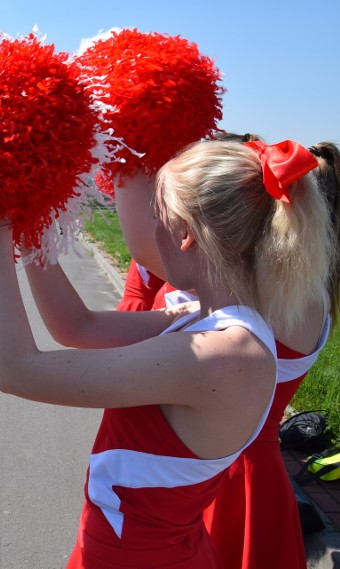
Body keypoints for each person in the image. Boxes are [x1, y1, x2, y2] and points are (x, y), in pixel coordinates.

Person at [0, 139, 333, 567]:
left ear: (184, 233)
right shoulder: (207, 321)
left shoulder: (223, 355)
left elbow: (18, 371)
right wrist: (30, 223)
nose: (152, 235)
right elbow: (77, 326)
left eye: (157, 218)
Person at [111, 135, 338, 569]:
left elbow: (144, 250)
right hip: (259, 482)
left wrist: (126, 144)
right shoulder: (309, 299)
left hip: (209, 476)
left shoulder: (245, 295)